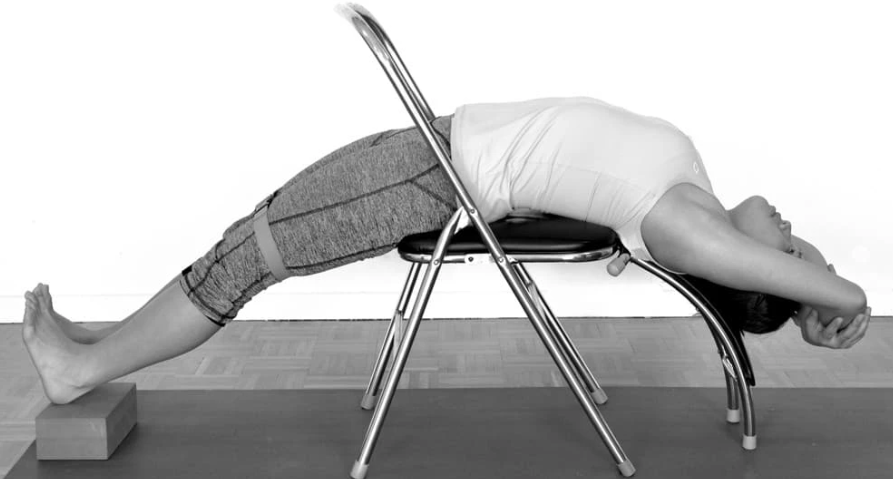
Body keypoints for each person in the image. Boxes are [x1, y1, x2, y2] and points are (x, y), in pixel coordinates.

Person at [22, 96, 871, 406]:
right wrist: (818, 287)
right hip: (433, 152)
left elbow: (766, 269)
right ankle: (107, 346)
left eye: (790, 252)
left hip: (431, 178)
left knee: (248, 255)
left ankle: (79, 371)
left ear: (744, 269)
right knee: (244, 242)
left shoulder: (687, 225)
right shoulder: (691, 196)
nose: (789, 227)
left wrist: (844, 297)